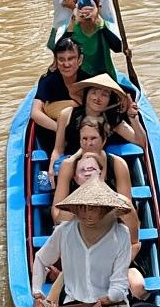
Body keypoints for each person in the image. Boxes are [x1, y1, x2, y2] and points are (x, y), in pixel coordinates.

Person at [31, 179, 160, 307]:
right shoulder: (64, 231)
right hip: (78, 305)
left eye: (93, 209)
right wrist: (38, 294)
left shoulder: (121, 234)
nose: (87, 214)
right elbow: (40, 259)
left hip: (114, 306)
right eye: (82, 208)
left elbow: (119, 280)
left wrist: (107, 299)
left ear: (105, 210)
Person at [52, 116, 145, 294]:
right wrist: (81, 205)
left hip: (110, 236)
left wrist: (101, 201)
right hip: (78, 233)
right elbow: (56, 214)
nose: (88, 144)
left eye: (93, 139)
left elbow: (126, 211)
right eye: (84, 139)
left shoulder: (117, 164)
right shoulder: (69, 165)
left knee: (135, 286)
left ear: (104, 140)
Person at [48, 75, 145, 172]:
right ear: (86, 95)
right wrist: (52, 170)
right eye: (94, 92)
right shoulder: (67, 114)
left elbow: (141, 142)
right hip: (70, 165)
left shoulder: (112, 119)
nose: (97, 98)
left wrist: (133, 119)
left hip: (99, 167)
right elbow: (58, 149)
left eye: (104, 95)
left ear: (109, 101)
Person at [30, 35, 88, 150]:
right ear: (56, 61)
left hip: (82, 130)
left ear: (79, 60)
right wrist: (61, 130)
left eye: (71, 58)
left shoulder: (88, 80)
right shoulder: (48, 81)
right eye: (61, 59)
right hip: (53, 130)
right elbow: (35, 113)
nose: (66, 64)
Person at [64, 0, 123, 78]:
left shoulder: (105, 26)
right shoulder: (71, 28)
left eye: (90, 9)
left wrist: (101, 24)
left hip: (105, 76)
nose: (86, 14)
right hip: (80, 77)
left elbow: (119, 48)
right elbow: (61, 50)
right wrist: (73, 21)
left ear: (98, 8)